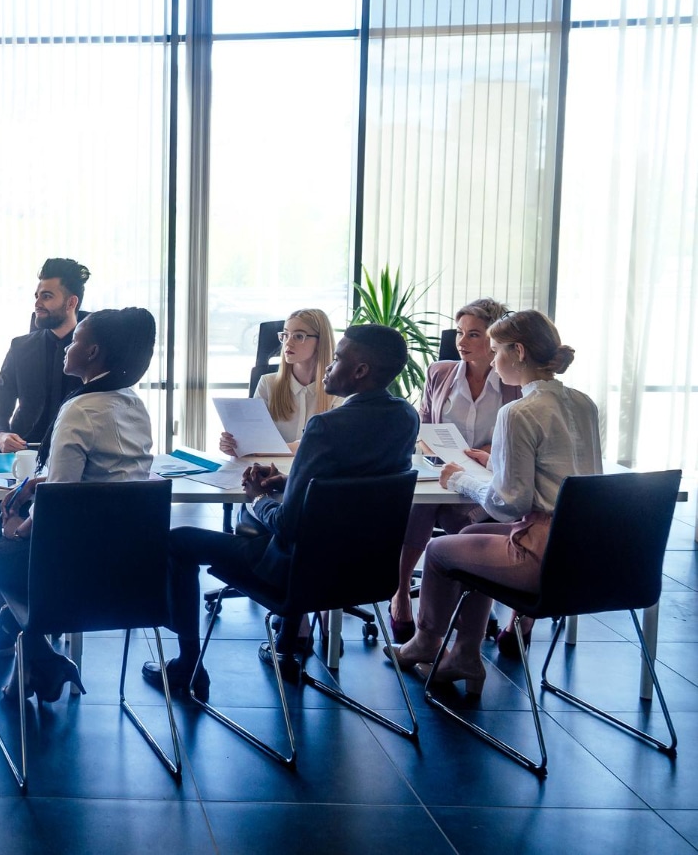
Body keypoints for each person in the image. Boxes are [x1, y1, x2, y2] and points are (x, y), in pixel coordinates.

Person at [149, 325, 419, 701]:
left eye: (338, 358)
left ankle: (187, 666)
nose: (329, 366)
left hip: (299, 573)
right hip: (365, 573)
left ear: (360, 371)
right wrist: (290, 481)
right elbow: (354, 487)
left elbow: (290, 527)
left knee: (179, 542)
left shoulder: (325, 426)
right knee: (268, 528)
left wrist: (258, 496)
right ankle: (288, 640)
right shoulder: (405, 417)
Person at [390, 311, 599, 694]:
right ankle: (465, 654)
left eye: (497, 348)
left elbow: (507, 504)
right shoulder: (583, 403)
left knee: (438, 550)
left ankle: (427, 642)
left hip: (540, 554)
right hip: (585, 551)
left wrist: (461, 479)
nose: (492, 356)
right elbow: (568, 475)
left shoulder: (517, 411)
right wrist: (497, 461)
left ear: (517, 351)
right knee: (473, 534)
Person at [0, 307, 157, 704]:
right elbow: (102, 479)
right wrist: (36, 484)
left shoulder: (79, 410)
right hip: (133, 561)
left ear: (91, 353)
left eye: (75, 341)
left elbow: (59, 509)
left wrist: (16, 528)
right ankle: (39, 658)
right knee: (12, 561)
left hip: (76, 563)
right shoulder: (132, 405)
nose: (67, 347)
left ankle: (40, 654)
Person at [0, 257, 90, 658]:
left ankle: (25, 624)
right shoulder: (21, 347)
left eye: (47, 295)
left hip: (73, 460)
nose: (38, 302)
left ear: (71, 301)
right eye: (36, 295)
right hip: (21, 455)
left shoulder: (92, 348)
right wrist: (0, 435)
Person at [389, 298, 521, 643]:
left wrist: (489, 453)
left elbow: (519, 438)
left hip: (488, 476)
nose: (461, 342)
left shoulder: (513, 383)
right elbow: (424, 423)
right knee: (419, 500)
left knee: (466, 522)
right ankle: (401, 592)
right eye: (460, 332)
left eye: (473, 334)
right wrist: (431, 444)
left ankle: (472, 609)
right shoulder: (440, 373)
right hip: (441, 469)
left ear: (493, 340)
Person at [218, 308, 338, 456]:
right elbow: (252, 439)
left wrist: (262, 451)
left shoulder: (338, 389)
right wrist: (236, 446)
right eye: (285, 335)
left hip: (315, 474)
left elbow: (326, 443)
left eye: (298, 336)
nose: (288, 343)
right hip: (268, 471)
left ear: (321, 342)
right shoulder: (268, 384)